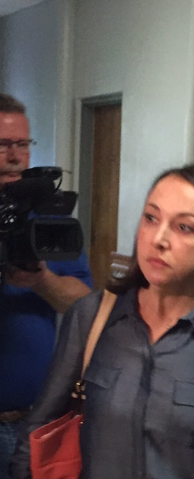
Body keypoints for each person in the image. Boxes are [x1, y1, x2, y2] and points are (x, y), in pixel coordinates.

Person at [12, 165, 194, 479]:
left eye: (184, 227)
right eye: (151, 218)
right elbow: (39, 427)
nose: (159, 239)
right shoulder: (93, 316)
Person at [0, 93, 93, 479]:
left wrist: (41, 280)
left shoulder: (47, 221)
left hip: (34, 420)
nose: (15, 156)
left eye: (22, 144)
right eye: (3, 145)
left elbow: (86, 303)